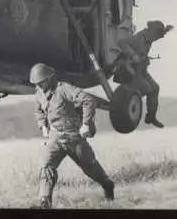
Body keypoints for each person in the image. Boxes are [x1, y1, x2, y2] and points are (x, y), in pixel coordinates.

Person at [29, 63, 115, 209]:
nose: (39, 86)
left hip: (73, 137)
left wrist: (86, 124)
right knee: (47, 166)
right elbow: (39, 111)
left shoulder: (63, 89)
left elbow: (88, 100)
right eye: (36, 84)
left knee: (90, 167)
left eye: (41, 82)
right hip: (55, 138)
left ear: (49, 78)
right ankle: (45, 202)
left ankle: (107, 184)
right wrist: (43, 126)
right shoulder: (39, 93)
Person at [115, 20, 173, 128]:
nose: (157, 37)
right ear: (150, 31)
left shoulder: (149, 37)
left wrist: (166, 30)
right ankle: (124, 102)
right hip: (128, 70)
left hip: (140, 70)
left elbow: (158, 35)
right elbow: (121, 42)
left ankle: (151, 117)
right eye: (157, 34)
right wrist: (133, 55)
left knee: (155, 88)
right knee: (147, 89)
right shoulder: (138, 38)